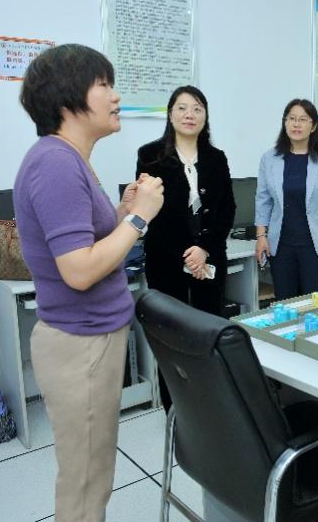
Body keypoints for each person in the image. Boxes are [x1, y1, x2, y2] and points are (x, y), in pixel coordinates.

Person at [14, 44, 164, 521]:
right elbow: (78, 270)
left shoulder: (68, 158)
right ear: (67, 99)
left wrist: (120, 213)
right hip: (82, 345)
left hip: (88, 339)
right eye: (104, 85)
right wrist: (139, 219)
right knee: (85, 486)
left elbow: (84, 241)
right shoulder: (56, 163)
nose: (116, 96)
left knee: (91, 477)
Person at [136, 85, 235, 411]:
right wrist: (188, 255)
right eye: (182, 108)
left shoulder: (216, 158)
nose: (189, 114)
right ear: (170, 114)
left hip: (209, 259)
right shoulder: (150, 156)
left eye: (197, 109)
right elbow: (151, 210)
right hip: (165, 259)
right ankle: (175, 409)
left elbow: (227, 210)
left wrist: (203, 249)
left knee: (208, 330)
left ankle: (209, 404)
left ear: (205, 117)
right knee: (170, 335)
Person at [254, 99, 318, 298]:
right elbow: (263, 199)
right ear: (285, 123)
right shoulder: (269, 158)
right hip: (281, 244)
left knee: (314, 302)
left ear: (313, 126)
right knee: (285, 302)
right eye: (291, 119)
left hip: (314, 244)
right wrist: (261, 237)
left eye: (303, 119)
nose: (296, 124)